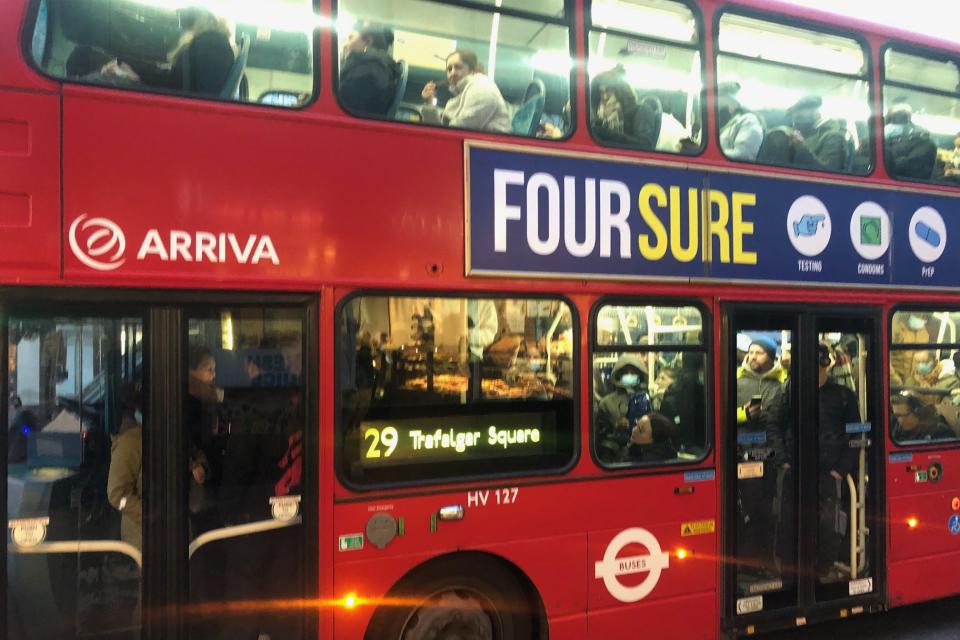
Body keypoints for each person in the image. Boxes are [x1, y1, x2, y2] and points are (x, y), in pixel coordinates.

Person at [735, 334, 791, 584]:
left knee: (767, 513)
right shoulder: (736, 380)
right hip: (742, 454)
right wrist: (745, 414)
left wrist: (782, 458)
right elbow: (722, 412)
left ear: (771, 357)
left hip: (768, 457)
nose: (753, 356)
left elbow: (781, 422)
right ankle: (746, 562)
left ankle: (764, 561)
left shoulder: (781, 384)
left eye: (759, 352)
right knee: (746, 510)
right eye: (751, 352)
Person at [103, 7, 235, 97]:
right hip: (182, 101)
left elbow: (173, 84)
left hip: (178, 107)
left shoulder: (207, 44)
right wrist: (129, 64)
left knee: (105, 81)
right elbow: (176, 79)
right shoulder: (215, 41)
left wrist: (135, 74)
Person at [816, 344, 861, 581]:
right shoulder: (791, 391)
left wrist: (841, 470)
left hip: (832, 472)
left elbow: (856, 434)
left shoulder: (843, 395)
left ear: (826, 365)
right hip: (801, 470)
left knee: (830, 524)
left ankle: (825, 566)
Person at [420, 49, 510, 133]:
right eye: (449, 69)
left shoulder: (482, 88)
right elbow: (439, 132)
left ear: (472, 70)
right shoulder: (464, 93)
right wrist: (429, 104)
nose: (453, 73)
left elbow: (455, 132)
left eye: (458, 67)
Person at [186, 345, 223, 535]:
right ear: (193, 370)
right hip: (197, 475)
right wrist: (193, 462)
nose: (213, 375)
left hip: (208, 468)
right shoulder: (187, 400)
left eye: (214, 370)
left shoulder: (207, 398)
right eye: (209, 369)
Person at [107, 384, 143, 550]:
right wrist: (147, 514)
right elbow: (117, 496)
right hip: (141, 532)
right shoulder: (130, 442)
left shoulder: (164, 433)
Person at [339, 21, 401, 117]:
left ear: (367, 42)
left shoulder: (371, 70)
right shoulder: (377, 66)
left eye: (350, 38)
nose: (345, 44)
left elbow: (338, 99)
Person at [596, 354, 651, 462]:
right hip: (615, 456)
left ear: (640, 375)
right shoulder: (606, 402)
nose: (629, 375)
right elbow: (599, 434)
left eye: (633, 372)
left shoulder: (649, 399)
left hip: (644, 454)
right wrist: (616, 427)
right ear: (618, 374)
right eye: (626, 372)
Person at [590, 67, 657, 150]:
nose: (605, 96)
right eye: (601, 92)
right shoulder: (603, 117)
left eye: (609, 90)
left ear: (621, 90)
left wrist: (608, 135)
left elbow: (645, 145)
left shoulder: (642, 110)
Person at [787, 95, 849, 172]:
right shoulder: (804, 136)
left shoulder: (834, 137)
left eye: (800, 118)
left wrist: (801, 148)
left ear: (816, 115)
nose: (796, 123)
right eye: (794, 120)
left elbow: (828, 172)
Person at [884, 100, 937, 180]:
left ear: (908, 121)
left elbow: (910, 167)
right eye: (889, 120)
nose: (891, 125)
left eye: (899, 119)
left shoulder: (924, 143)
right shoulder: (880, 140)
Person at [717, 81, 763, 162]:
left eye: (718, 101)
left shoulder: (748, 120)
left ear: (731, 101)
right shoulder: (723, 124)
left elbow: (744, 155)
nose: (716, 106)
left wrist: (715, 154)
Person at [891, 312, 931, 385]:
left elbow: (925, 355)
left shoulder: (924, 334)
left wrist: (925, 362)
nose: (920, 319)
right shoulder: (896, 330)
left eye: (923, 318)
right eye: (918, 316)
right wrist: (894, 378)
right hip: (894, 380)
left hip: (911, 381)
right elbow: (884, 356)